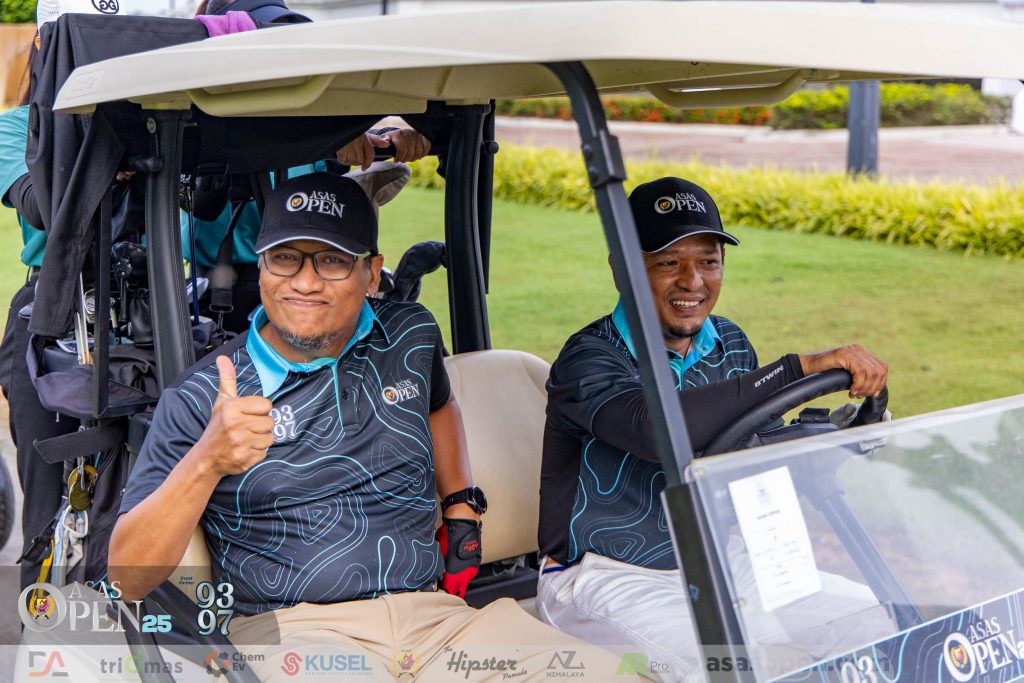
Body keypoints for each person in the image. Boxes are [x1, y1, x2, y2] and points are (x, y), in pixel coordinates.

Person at [109, 172, 621, 682]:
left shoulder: (410, 335)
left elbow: (439, 404)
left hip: (437, 620)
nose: (305, 282)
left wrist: (461, 503)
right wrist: (207, 460)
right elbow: (127, 579)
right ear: (261, 267)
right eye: (284, 258)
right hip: (295, 632)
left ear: (372, 274)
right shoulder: (201, 398)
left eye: (331, 260)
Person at [537, 177, 893, 682]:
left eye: (709, 261)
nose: (693, 282)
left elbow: (759, 452)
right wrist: (795, 369)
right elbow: (655, 431)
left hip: (724, 561)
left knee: (882, 621)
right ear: (622, 269)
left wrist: (838, 438)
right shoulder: (589, 358)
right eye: (668, 263)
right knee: (729, 670)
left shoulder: (729, 342)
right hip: (607, 575)